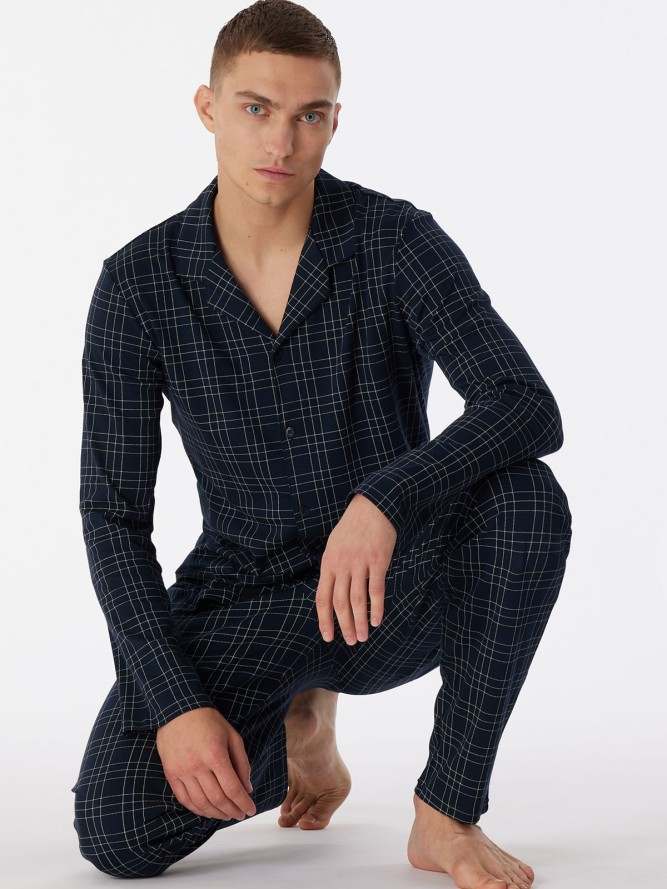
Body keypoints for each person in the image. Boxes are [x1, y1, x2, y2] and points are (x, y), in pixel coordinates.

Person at [72, 2, 572, 887]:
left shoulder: (395, 238)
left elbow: (524, 403)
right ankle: (299, 722)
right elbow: (113, 516)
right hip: (246, 593)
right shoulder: (138, 284)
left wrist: (385, 498)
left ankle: (446, 809)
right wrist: (176, 703)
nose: (282, 141)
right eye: (256, 108)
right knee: (116, 829)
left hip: (393, 586)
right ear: (207, 108)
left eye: (309, 115)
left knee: (527, 497)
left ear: (334, 121)